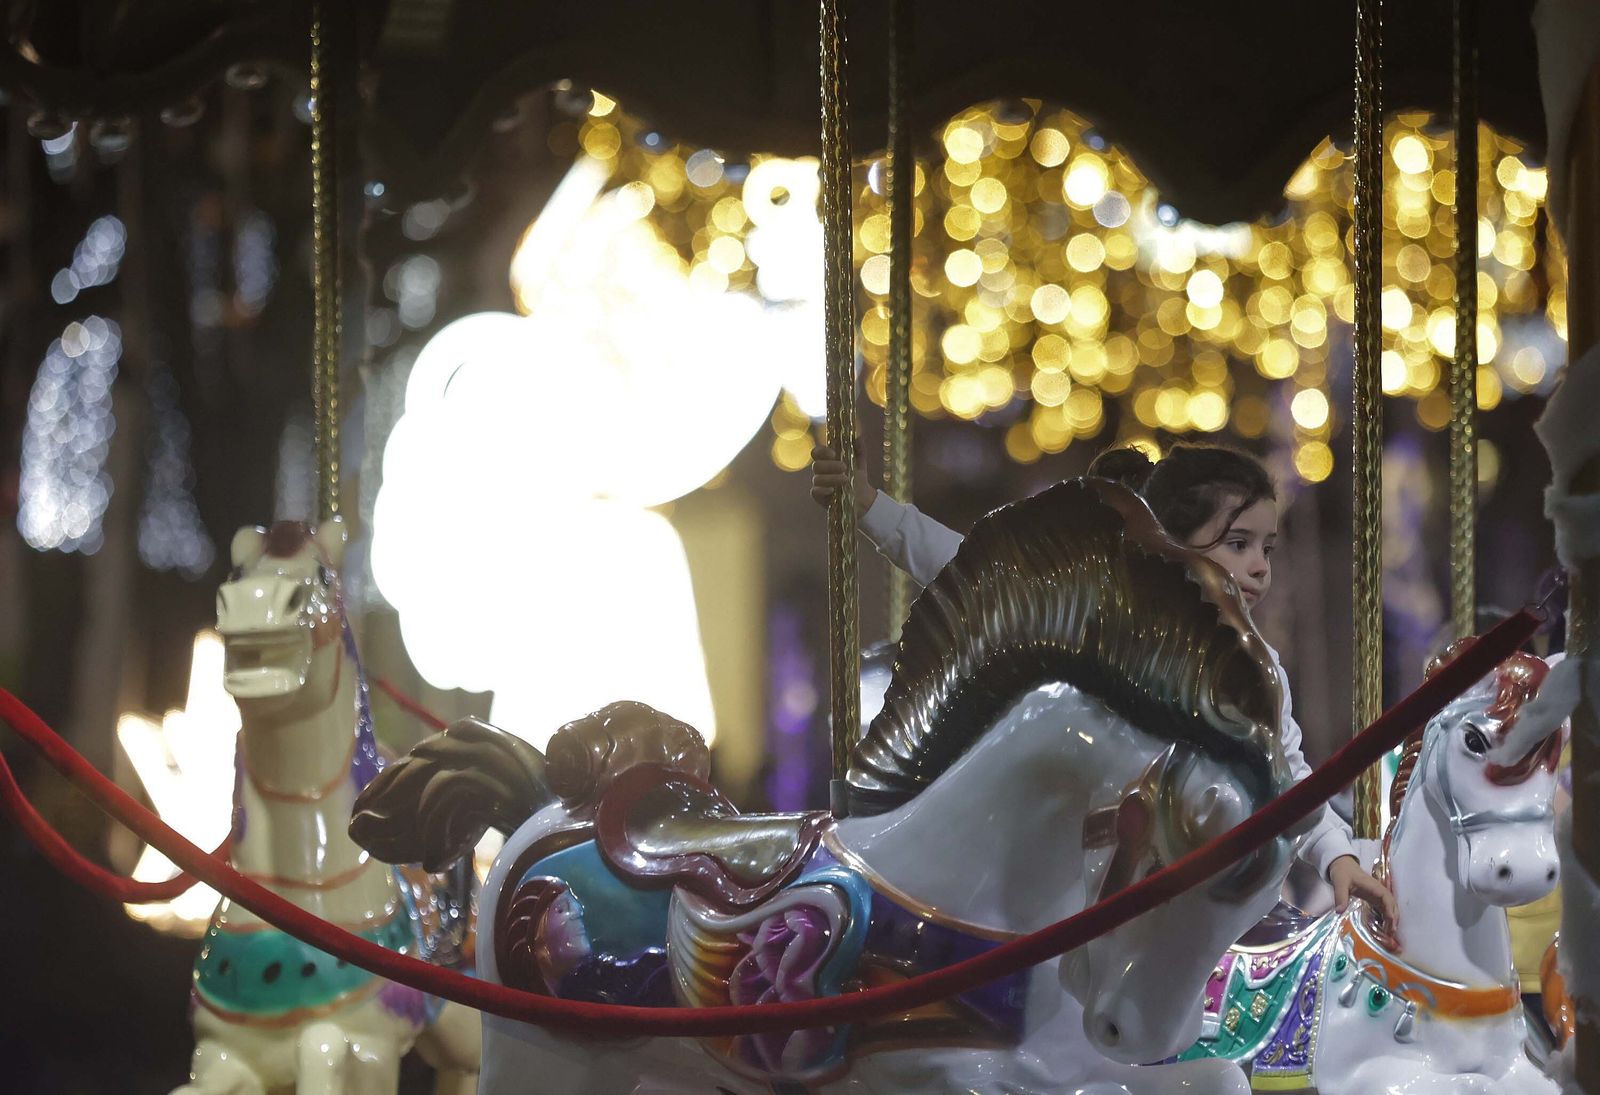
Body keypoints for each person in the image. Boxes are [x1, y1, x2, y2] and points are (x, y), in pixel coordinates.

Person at [811, 440, 1399, 930]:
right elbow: (971, 568)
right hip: (1075, 886)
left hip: (1188, 903)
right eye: (1237, 544)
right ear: (1172, 545)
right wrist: (870, 506)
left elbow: (1287, 777)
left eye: (1266, 548)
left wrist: (1338, 857)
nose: (1260, 566)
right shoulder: (1110, 628)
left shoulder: (1255, 668)